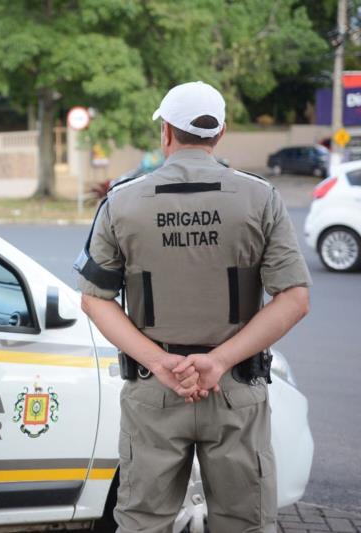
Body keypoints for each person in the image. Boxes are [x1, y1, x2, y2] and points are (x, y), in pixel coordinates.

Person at [74, 81, 311, 533]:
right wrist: (219, 361)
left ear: (166, 132)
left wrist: (161, 363)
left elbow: (94, 298)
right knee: (244, 524)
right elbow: (294, 299)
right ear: (220, 133)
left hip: (155, 389)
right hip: (235, 387)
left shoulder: (122, 201)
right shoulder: (261, 198)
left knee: (142, 522)